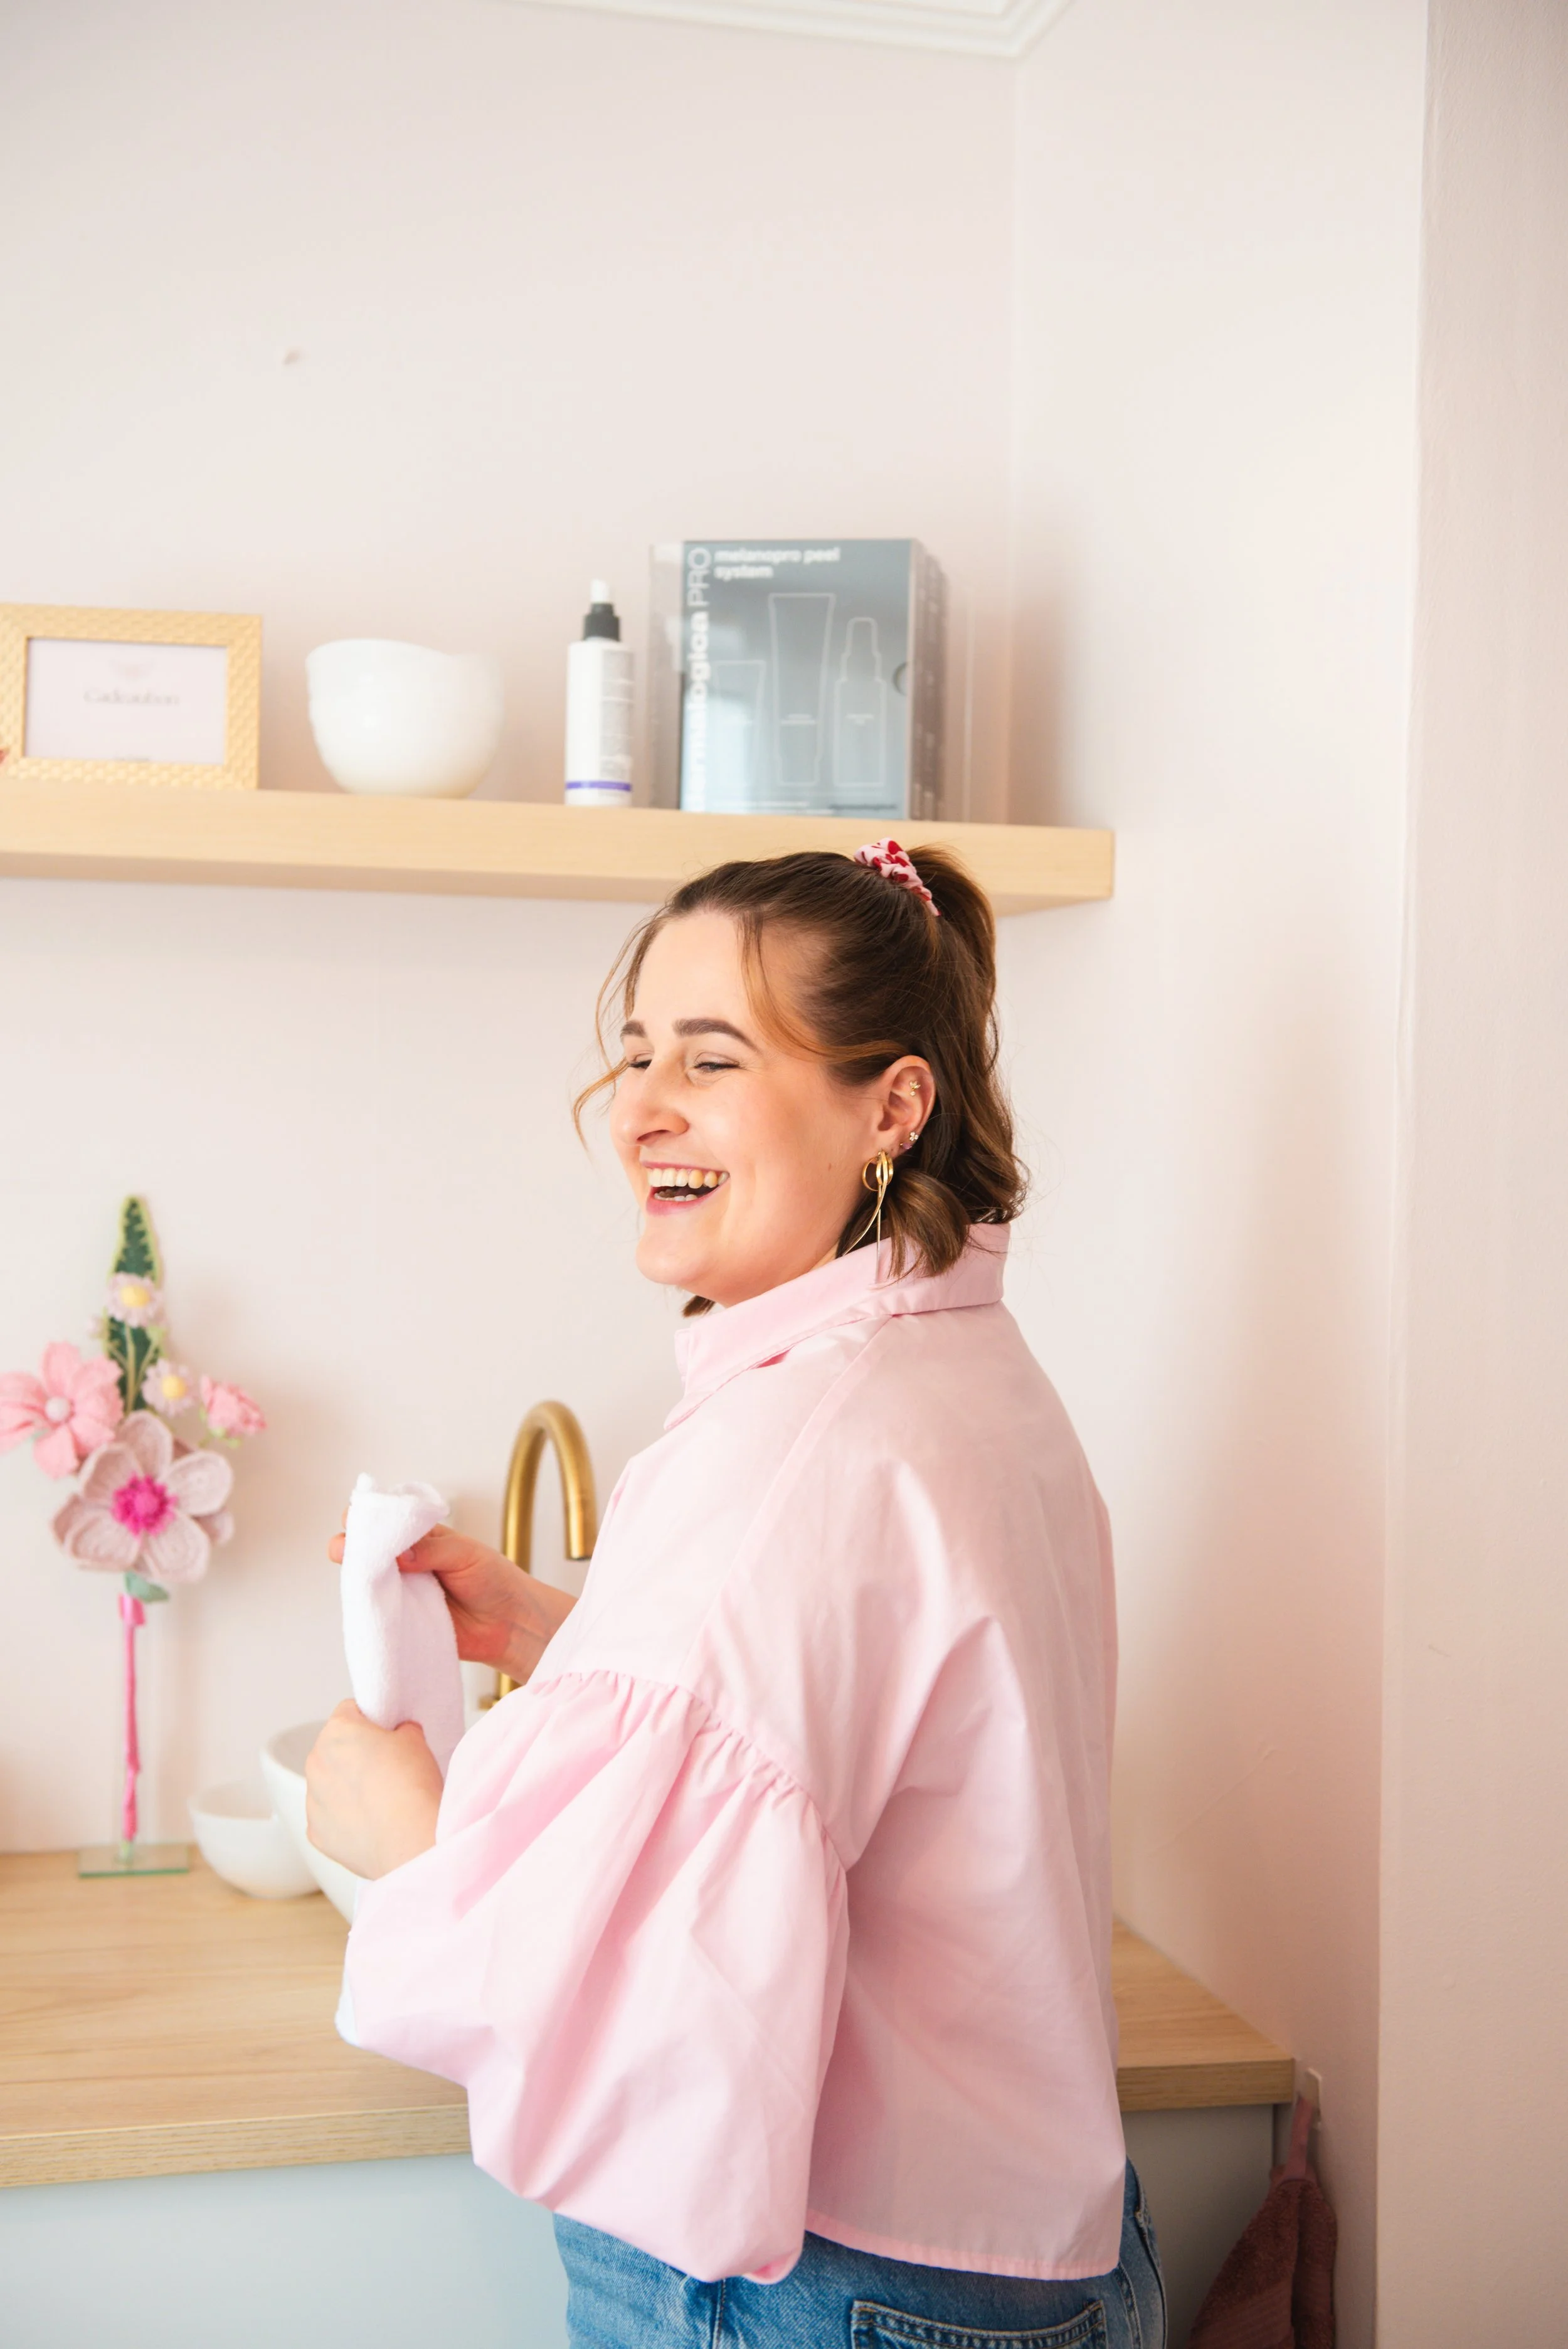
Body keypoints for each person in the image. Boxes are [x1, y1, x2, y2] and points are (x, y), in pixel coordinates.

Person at [306, 839, 1165, 2349]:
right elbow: (866, 1722)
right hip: (1014, 2248)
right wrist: (572, 1636)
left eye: (711, 1059)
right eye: (638, 1051)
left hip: (824, 2288)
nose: (640, 1107)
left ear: (890, 1106)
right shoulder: (951, 1361)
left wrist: (404, 1839)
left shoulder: (794, 1443)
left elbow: (631, 1996)